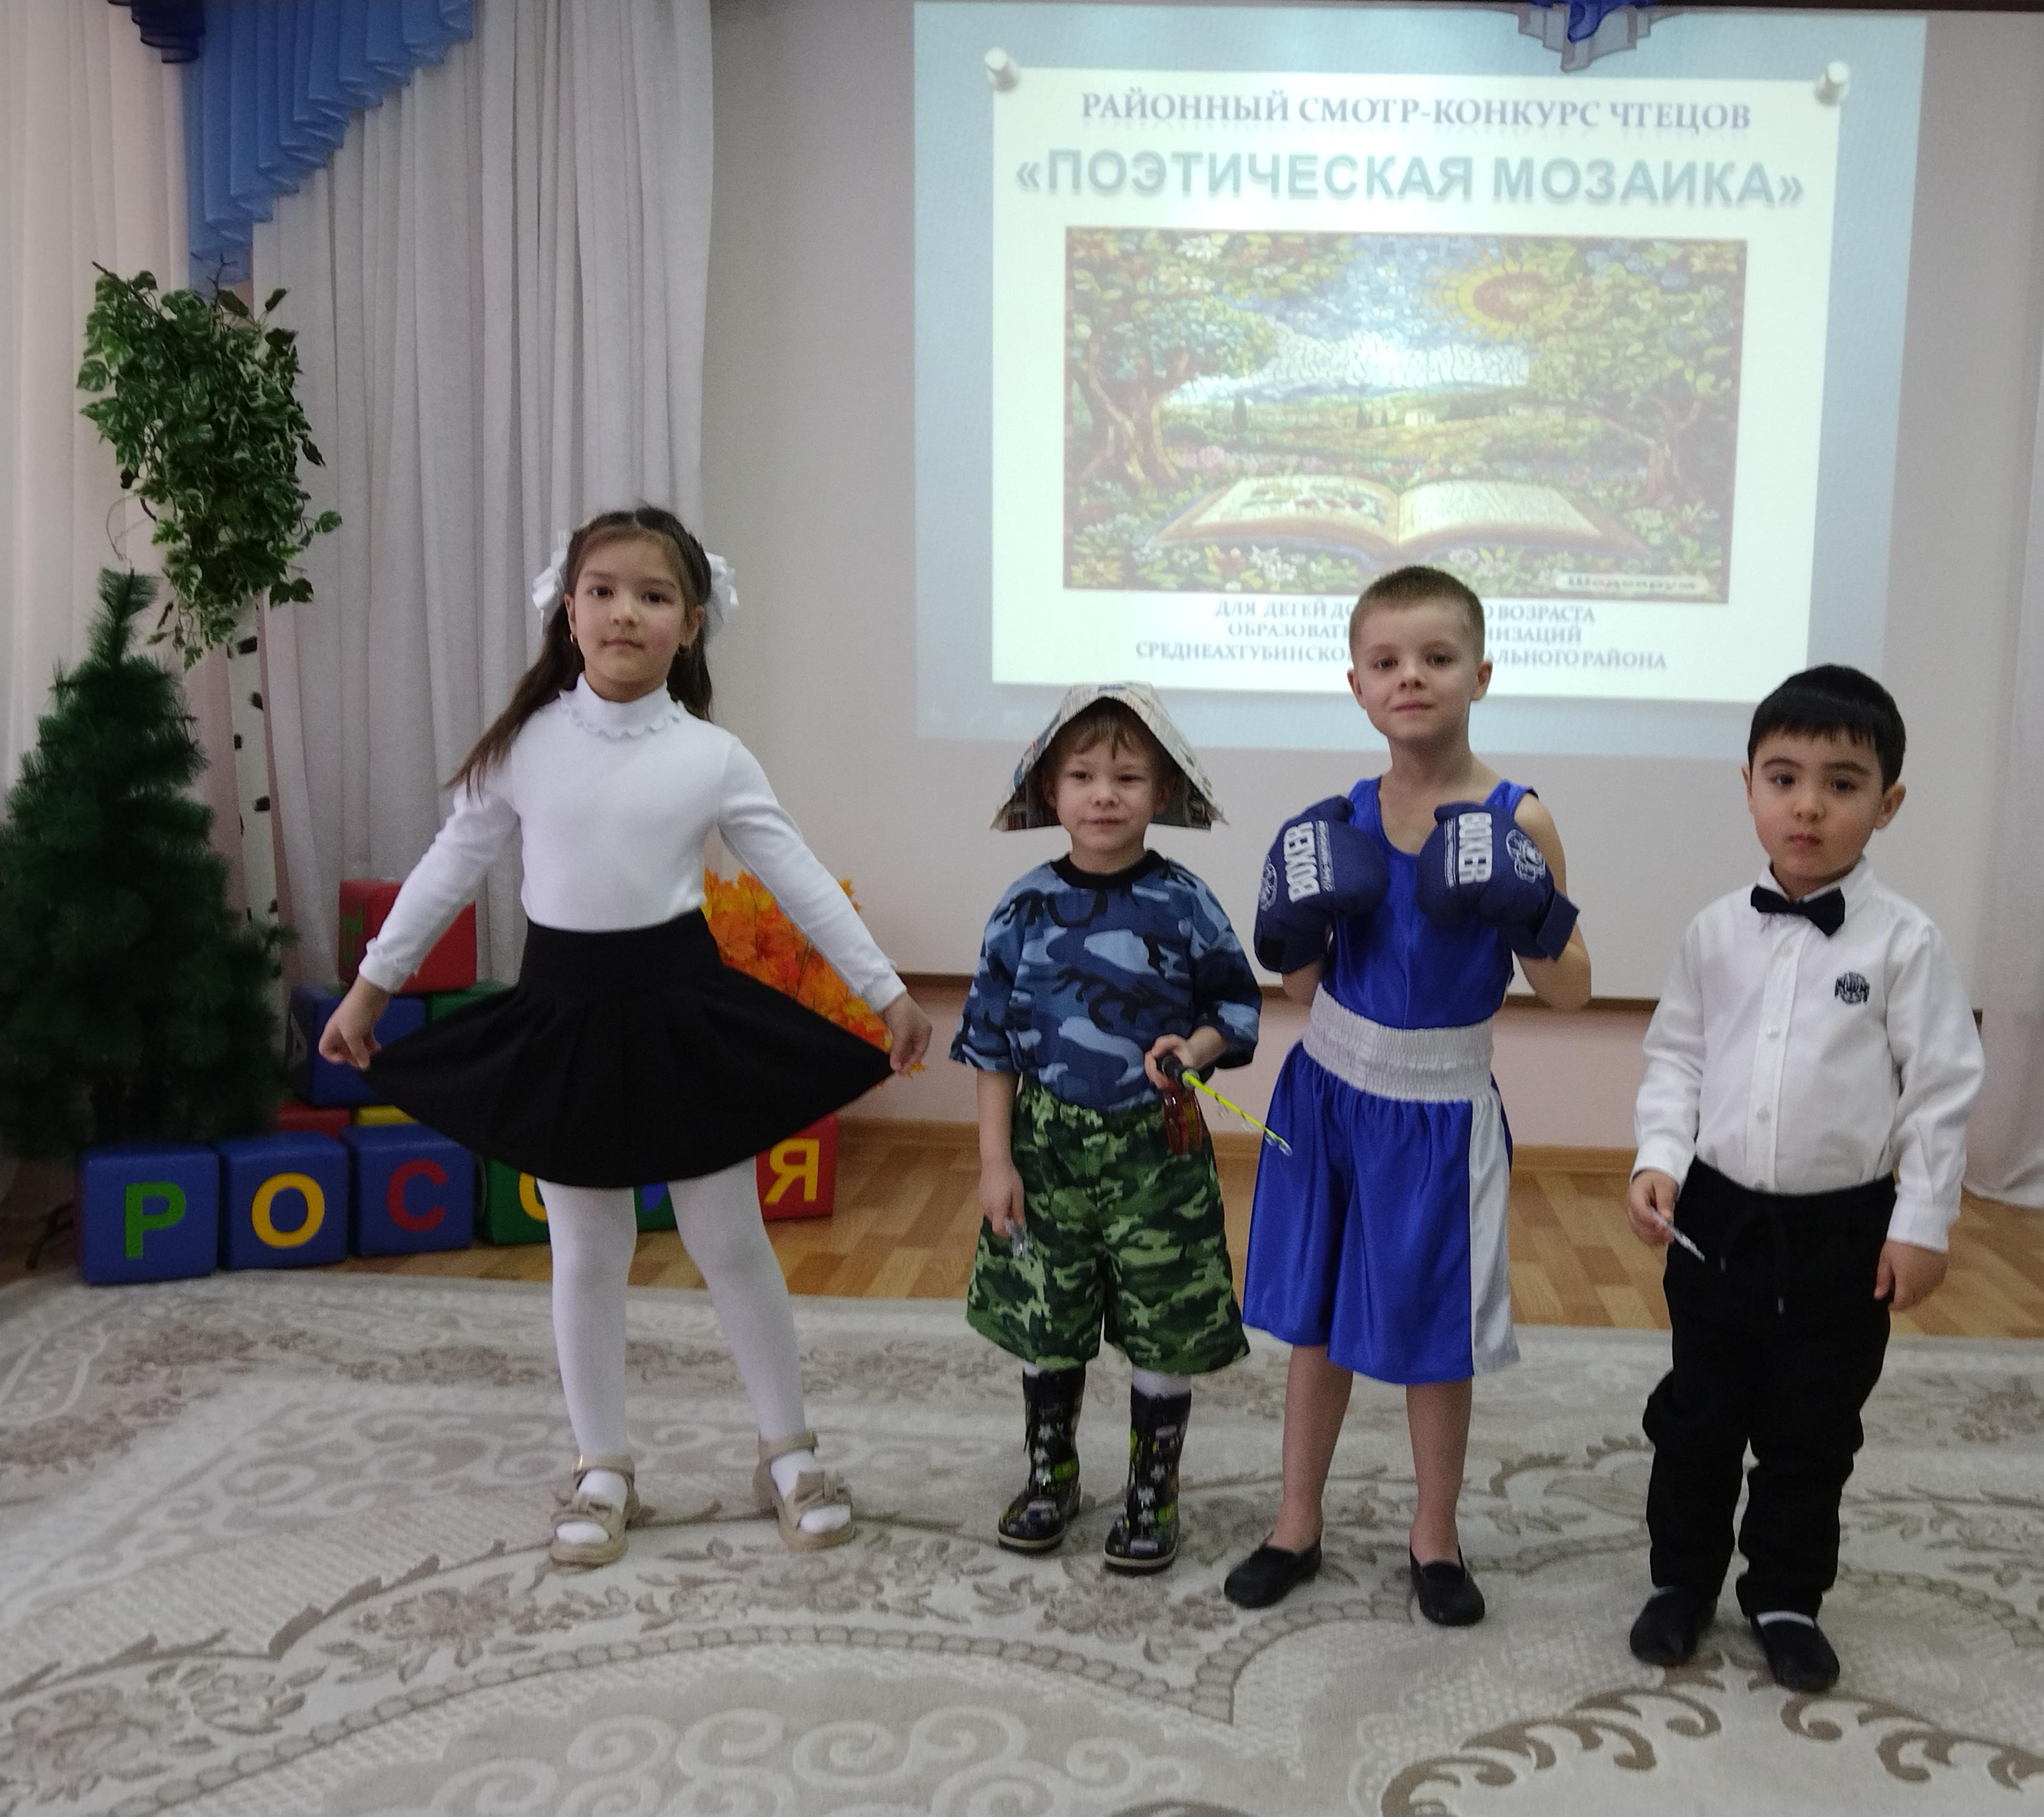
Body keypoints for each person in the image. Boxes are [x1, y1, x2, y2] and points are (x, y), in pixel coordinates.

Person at [316, 505, 933, 1568]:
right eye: (603, 592)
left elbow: (794, 875)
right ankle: (602, 1466)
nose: (625, 614)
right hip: (563, 1017)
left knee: (728, 1237)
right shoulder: (524, 748)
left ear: (690, 625)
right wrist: (372, 988)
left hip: (682, 1015)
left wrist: (886, 993)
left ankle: (787, 1451)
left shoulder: (712, 756)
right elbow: (449, 867)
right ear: (569, 611)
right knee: (588, 1247)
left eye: (653, 597)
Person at [1226, 566, 1592, 1627]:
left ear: (1482, 673)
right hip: (1329, 1093)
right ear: (1357, 686)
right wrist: (1293, 922)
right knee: (1315, 1323)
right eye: (1386, 662)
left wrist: (1527, 905)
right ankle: (1296, 1522)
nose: (1411, 678)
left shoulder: (1521, 815)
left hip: (1441, 1110)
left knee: (1436, 1336)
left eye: (1437, 658)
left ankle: (1436, 1537)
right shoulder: (1339, 819)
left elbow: (1571, 991)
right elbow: (1303, 987)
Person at [1624, 664, 1984, 1692]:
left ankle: (1785, 1592)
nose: (1809, 806)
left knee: (1812, 1426)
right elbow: (1678, 1059)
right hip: (1718, 1222)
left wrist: (1923, 1223)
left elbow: (1941, 1091)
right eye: (1784, 779)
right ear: (1749, 787)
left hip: (1844, 1234)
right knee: (1698, 1416)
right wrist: (1660, 1160)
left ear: (1889, 804)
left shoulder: (1907, 944)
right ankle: (1682, 1580)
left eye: (1842, 783)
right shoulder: (1713, 932)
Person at [953, 682, 1260, 1575]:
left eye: (1127, 778)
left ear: (1162, 792)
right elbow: (991, 1045)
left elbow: (1234, 1009)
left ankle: (1152, 1490)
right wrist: (995, 1162)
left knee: (1167, 1321)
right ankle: (1050, 1475)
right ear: (1049, 791)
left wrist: (1194, 1050)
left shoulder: (1185, 903)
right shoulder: (1024, 908)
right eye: (1083, 776)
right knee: (1046, 1319)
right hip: (1045, 1153)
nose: (1104, 796)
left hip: (1157, 1154)